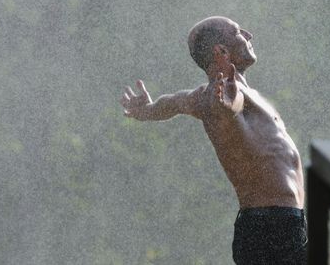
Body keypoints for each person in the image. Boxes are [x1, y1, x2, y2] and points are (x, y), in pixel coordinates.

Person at [120, 16, 307, 264]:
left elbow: (173, 103)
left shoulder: (226, 93)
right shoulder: (221, 93)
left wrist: (148, 110)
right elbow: (229, 104)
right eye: (239, 32)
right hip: (269, 226)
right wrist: (225, 106)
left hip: (285, 222)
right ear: (221, 51)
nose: (249, 35)